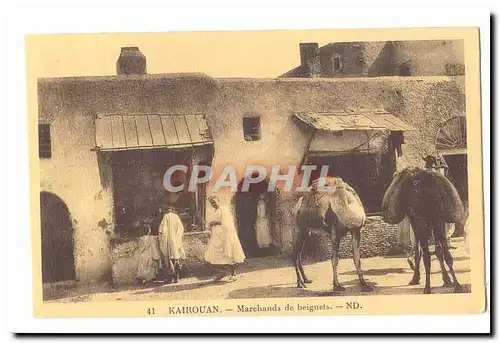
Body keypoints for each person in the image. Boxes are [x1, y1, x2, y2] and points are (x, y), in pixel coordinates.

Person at [204, 195, 246, 283]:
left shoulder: (224, 209)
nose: (213, 204)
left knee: (228, 254)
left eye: (214, 202)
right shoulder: (214, 211)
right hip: (217, 236)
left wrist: (215, 222)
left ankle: (233, 274)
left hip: (225, 235)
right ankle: (221, 273)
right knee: (216, 254)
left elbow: (227, 222)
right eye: (212, 203)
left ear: (218, 201)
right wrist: (211, 224)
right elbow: (210, 221)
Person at [157, 205, 186, 284]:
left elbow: (161, 229)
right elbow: (181, 228)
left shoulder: (165, 216)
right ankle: (176, 277)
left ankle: (171, 278)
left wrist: (160, 238)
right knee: (176, 257)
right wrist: (178, 237)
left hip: (168, 241)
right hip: (175, 240)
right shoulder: (176, 217)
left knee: (169, 259)